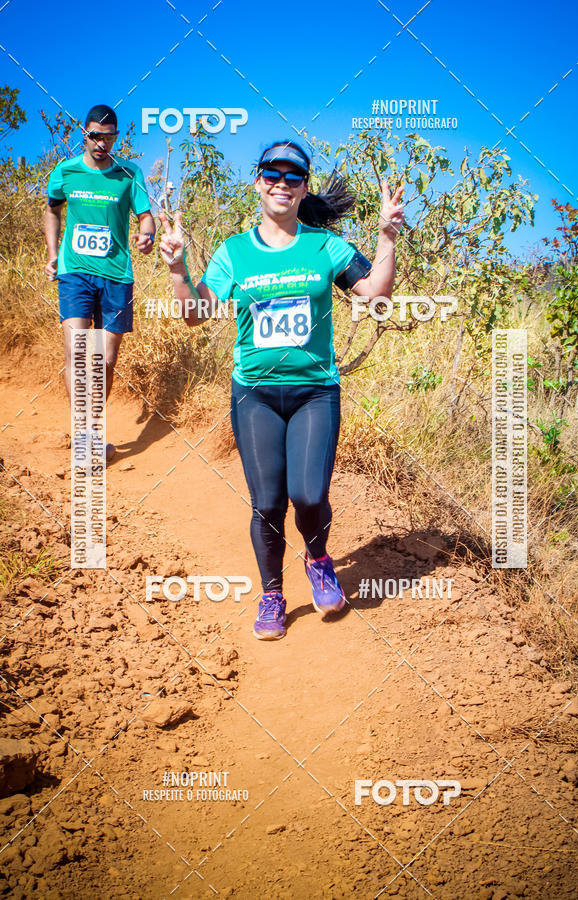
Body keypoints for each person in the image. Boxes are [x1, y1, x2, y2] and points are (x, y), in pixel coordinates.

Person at [160, 139, 404, 640]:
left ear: (303, 188)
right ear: (258, 183)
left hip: (315, 392)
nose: (282, 183)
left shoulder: (325, 247)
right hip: (255, 395)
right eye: (272, 174)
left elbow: (376, 300)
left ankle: (318, 560)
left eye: (293, 177)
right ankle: (272, 594)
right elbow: (194, 315)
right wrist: (177, 269)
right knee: (268, 503)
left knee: (308, 494)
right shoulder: (235, 251)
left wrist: (385, 238)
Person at [44, 103, 155, 460]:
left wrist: (147, 235)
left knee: (105, 361)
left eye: (107, 137)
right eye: (94, 136)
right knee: (78, 354)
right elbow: (52, 208)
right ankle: (85, 434)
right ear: (85, 134)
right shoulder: (66, 171)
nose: (100, 143)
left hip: (116, 276)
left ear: (115, 138)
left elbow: (145, 216)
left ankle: (92, 427)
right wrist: (52, 252)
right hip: (75, 272)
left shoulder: (129, 173)